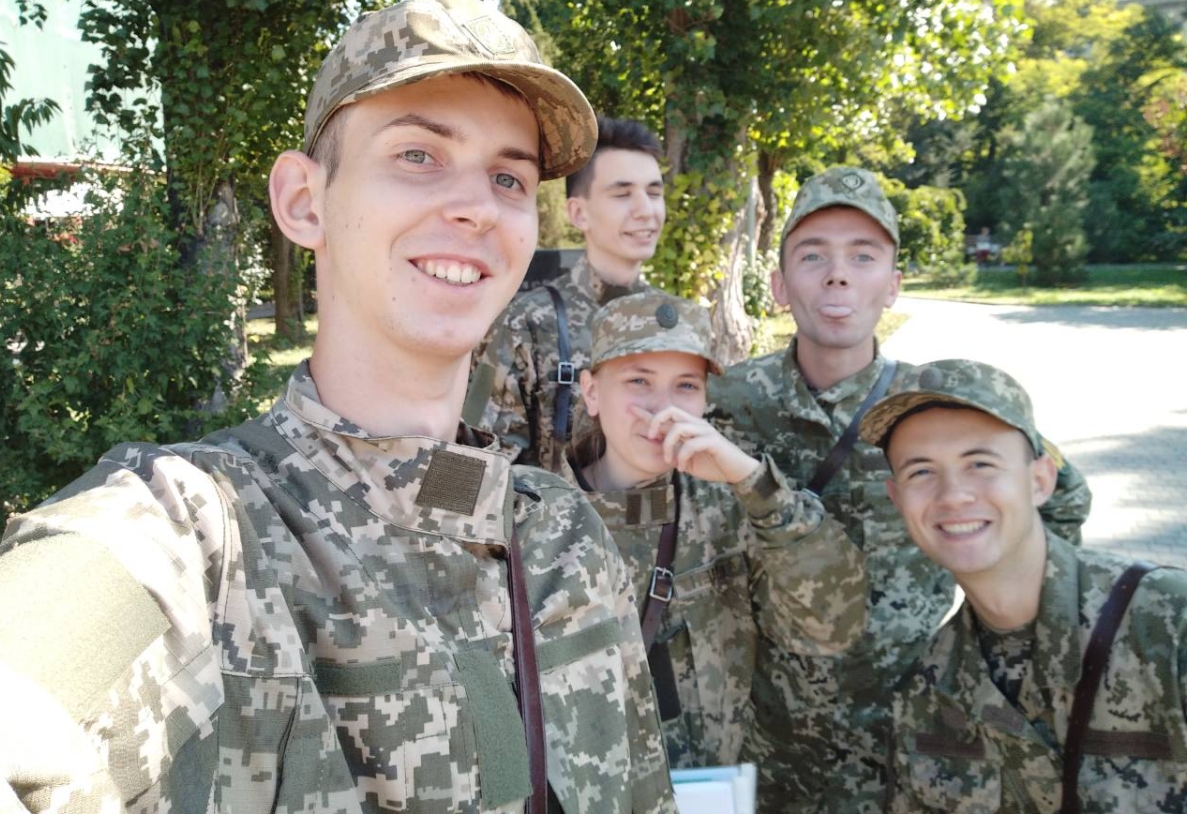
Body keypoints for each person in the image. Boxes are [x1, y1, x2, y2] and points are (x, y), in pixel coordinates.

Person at [0, 0, 676, 814]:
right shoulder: (198, 532)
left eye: (509, 177)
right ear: (305, 203)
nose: (477, 205)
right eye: (418, 155)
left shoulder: (564, 538)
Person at [706, 166, 1093, 813]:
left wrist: (1006, 633)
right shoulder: (729, 401)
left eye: (863, 256)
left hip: (913, 746)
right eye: (813, 256)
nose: (838, 276)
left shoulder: (942, 408)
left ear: (893, 285)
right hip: (768, 747)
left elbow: (1064, 498)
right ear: (778, 284)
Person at [858, 358, 1187, 812]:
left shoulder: (1166, 624)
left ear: (1040, 480)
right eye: (921, 472)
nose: (953, 495)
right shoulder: (926, 694)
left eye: (980, 463)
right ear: (897, 499)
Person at [568, 291, 866, 769]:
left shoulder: (731, 505)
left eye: (686, 386)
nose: (662, 409)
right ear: (591, 392)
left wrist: (753, 483)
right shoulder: (533, 515)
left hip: (709, 788)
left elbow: (835, 623)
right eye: (639, 380)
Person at [465, 115, 666, 476]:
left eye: (654, 193)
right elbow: (474, 467)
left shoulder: (674, 323)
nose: (645, 210)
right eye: (622, 194)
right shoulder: (527, 324)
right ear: (578, 213)